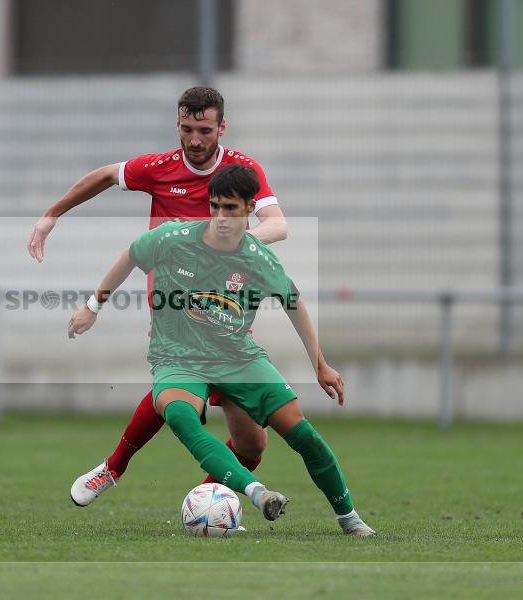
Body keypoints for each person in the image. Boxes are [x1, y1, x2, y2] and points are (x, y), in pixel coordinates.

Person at [67, 164, 375, 535]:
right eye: (215, 206)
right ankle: (257, 493)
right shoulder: (174, 237)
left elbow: (294, 304)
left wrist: (320, 365)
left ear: (249, 208)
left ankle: (349, 519)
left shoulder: (258, 258)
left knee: (290, 436)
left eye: (231, 208)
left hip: (238, 358)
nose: (221, 216)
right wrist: (93, 306)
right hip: (178, 357)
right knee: (180, 415)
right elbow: (130, 256)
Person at [27, 86, 289, 506]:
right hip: (174, 300)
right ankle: (113, 468)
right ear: (177, 125)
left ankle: (206, 497)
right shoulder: (158, 168)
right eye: (186, 129)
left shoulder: (241, 170)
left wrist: (231, 242)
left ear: (222, 127)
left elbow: (277, 224)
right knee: (179, 395)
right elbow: (104, 176)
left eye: (204, 130)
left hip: (227, 307)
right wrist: (51, 215)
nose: (195, 140)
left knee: (253, 443)